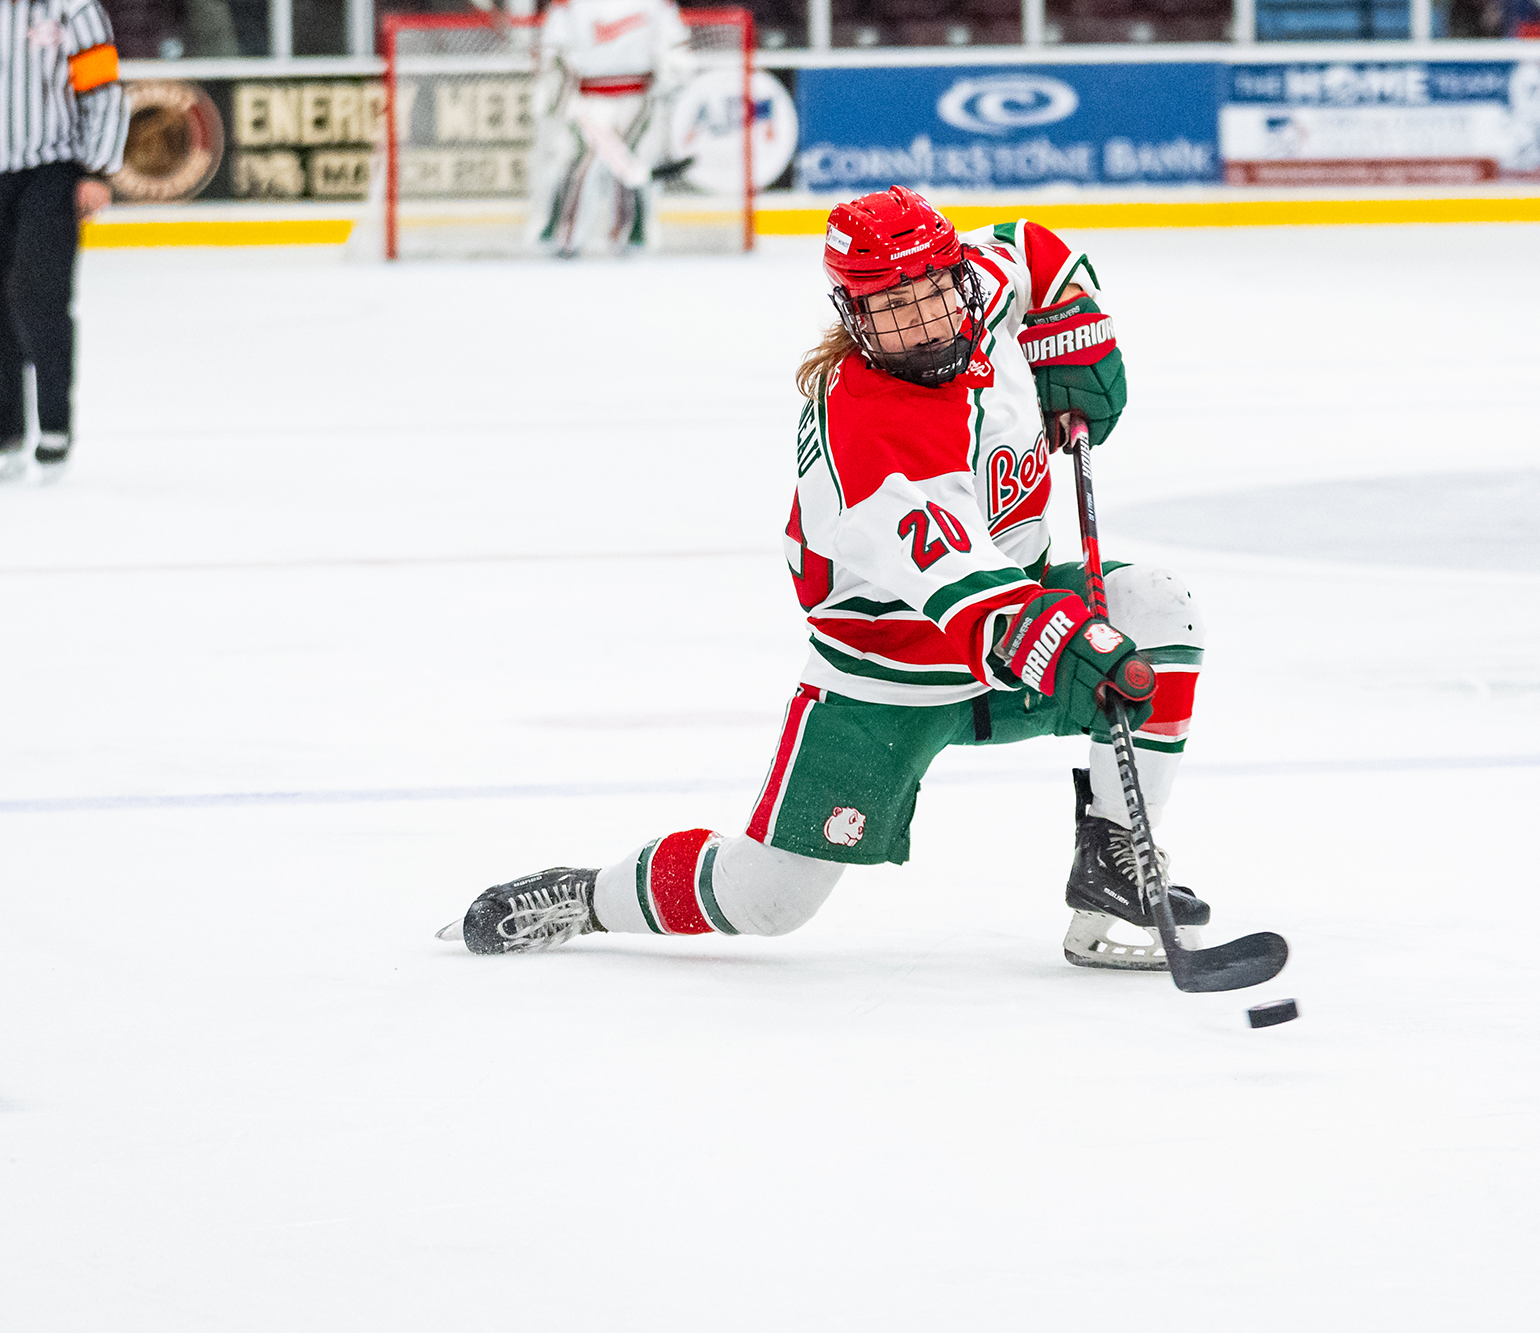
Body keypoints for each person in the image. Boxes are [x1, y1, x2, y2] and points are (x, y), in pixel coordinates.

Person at [441, 186, 1215, 972]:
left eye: (931, 295)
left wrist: (1075, 327)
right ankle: (588, 896)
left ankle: (1113, 868)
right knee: (769, 899)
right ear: (851, 316)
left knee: (1158, 611)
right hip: (887, 671)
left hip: (1015, 621)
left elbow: (1036, 248)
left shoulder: (975, 282)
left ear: (960, 277)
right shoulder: (868, 431)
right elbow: (963, 585)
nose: (919, 325)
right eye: (890, 310)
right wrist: (1055, 630)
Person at [0, 0, 127, 483]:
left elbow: (102, 88)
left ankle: (55, 424)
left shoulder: (71, 8)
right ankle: (4, 426)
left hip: (50, 171)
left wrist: (97, 168)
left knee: (37, 295)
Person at [517, 0, 690, 258]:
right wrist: (550, 74)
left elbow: (674, 41)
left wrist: (675, 69)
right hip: (587, 96)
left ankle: (626, 236)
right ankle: (568, 237)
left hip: (638, 94)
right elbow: (554, 45)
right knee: (588, 162)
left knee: (621, 160)